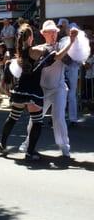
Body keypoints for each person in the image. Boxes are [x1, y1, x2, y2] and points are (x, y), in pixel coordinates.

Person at [19, 20, 78, 157]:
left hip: (59, 88)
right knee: (34, 119)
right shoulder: (39, 49)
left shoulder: (62, 48)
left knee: (58, 118)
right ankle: (27, 143)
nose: (53, 34)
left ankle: (64, 146)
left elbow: (68, 61)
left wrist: (72, 42)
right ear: (43, 33)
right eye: (50, 32)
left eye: (55, 32)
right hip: (42, 90)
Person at [0, 24, 48, 160]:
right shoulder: (36, 51)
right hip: (32, 92)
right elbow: (50, 52)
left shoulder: (19, 55)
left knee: (12, 118)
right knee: (37, 122)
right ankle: (30, 152)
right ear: (30, 37)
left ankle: (2, 143)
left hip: (19, 91)